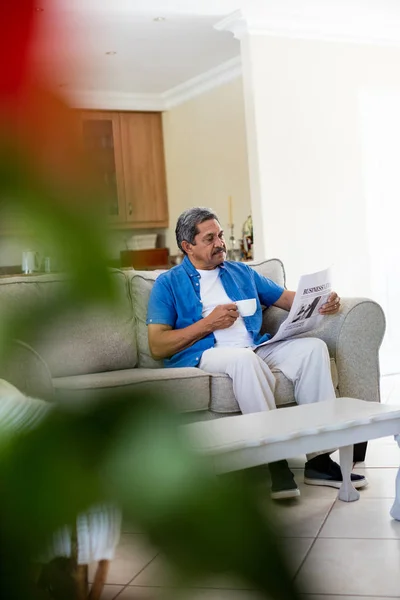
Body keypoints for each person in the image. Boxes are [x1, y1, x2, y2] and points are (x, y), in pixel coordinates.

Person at [147, 207, 367, 500]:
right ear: (188, 246)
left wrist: (323, 300)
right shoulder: (168, 283)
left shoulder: (240, 272)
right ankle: (275, 462)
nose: (220, 243)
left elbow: (288, 299)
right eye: (210, 238)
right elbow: (157, 345)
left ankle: (319, 459)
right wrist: (207, 324)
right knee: (243, 361)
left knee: (313, 349)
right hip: (210, 352)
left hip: (255, 345)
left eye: (221, 235)